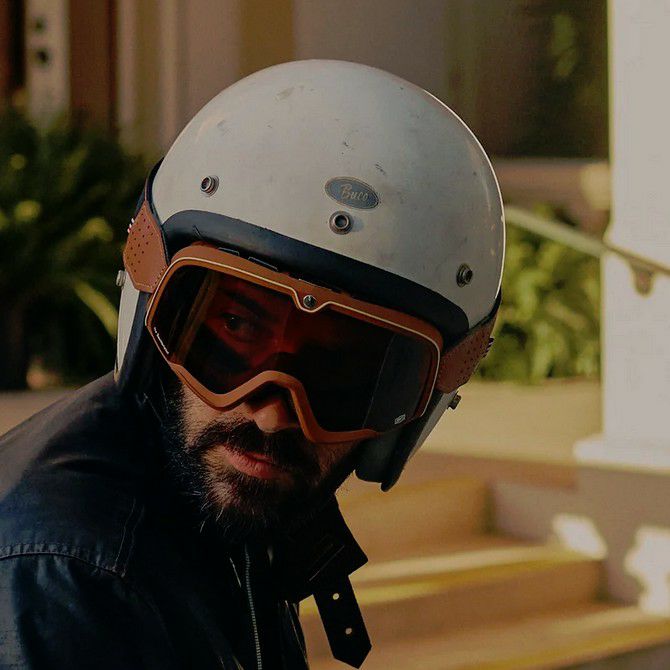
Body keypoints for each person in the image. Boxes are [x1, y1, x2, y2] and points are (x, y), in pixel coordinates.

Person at [0, 60, 504, 669]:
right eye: (236, 330)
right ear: (152, 302)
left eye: (340, 370)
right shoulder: (70, 581)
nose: (271, 415)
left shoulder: (218, 522)